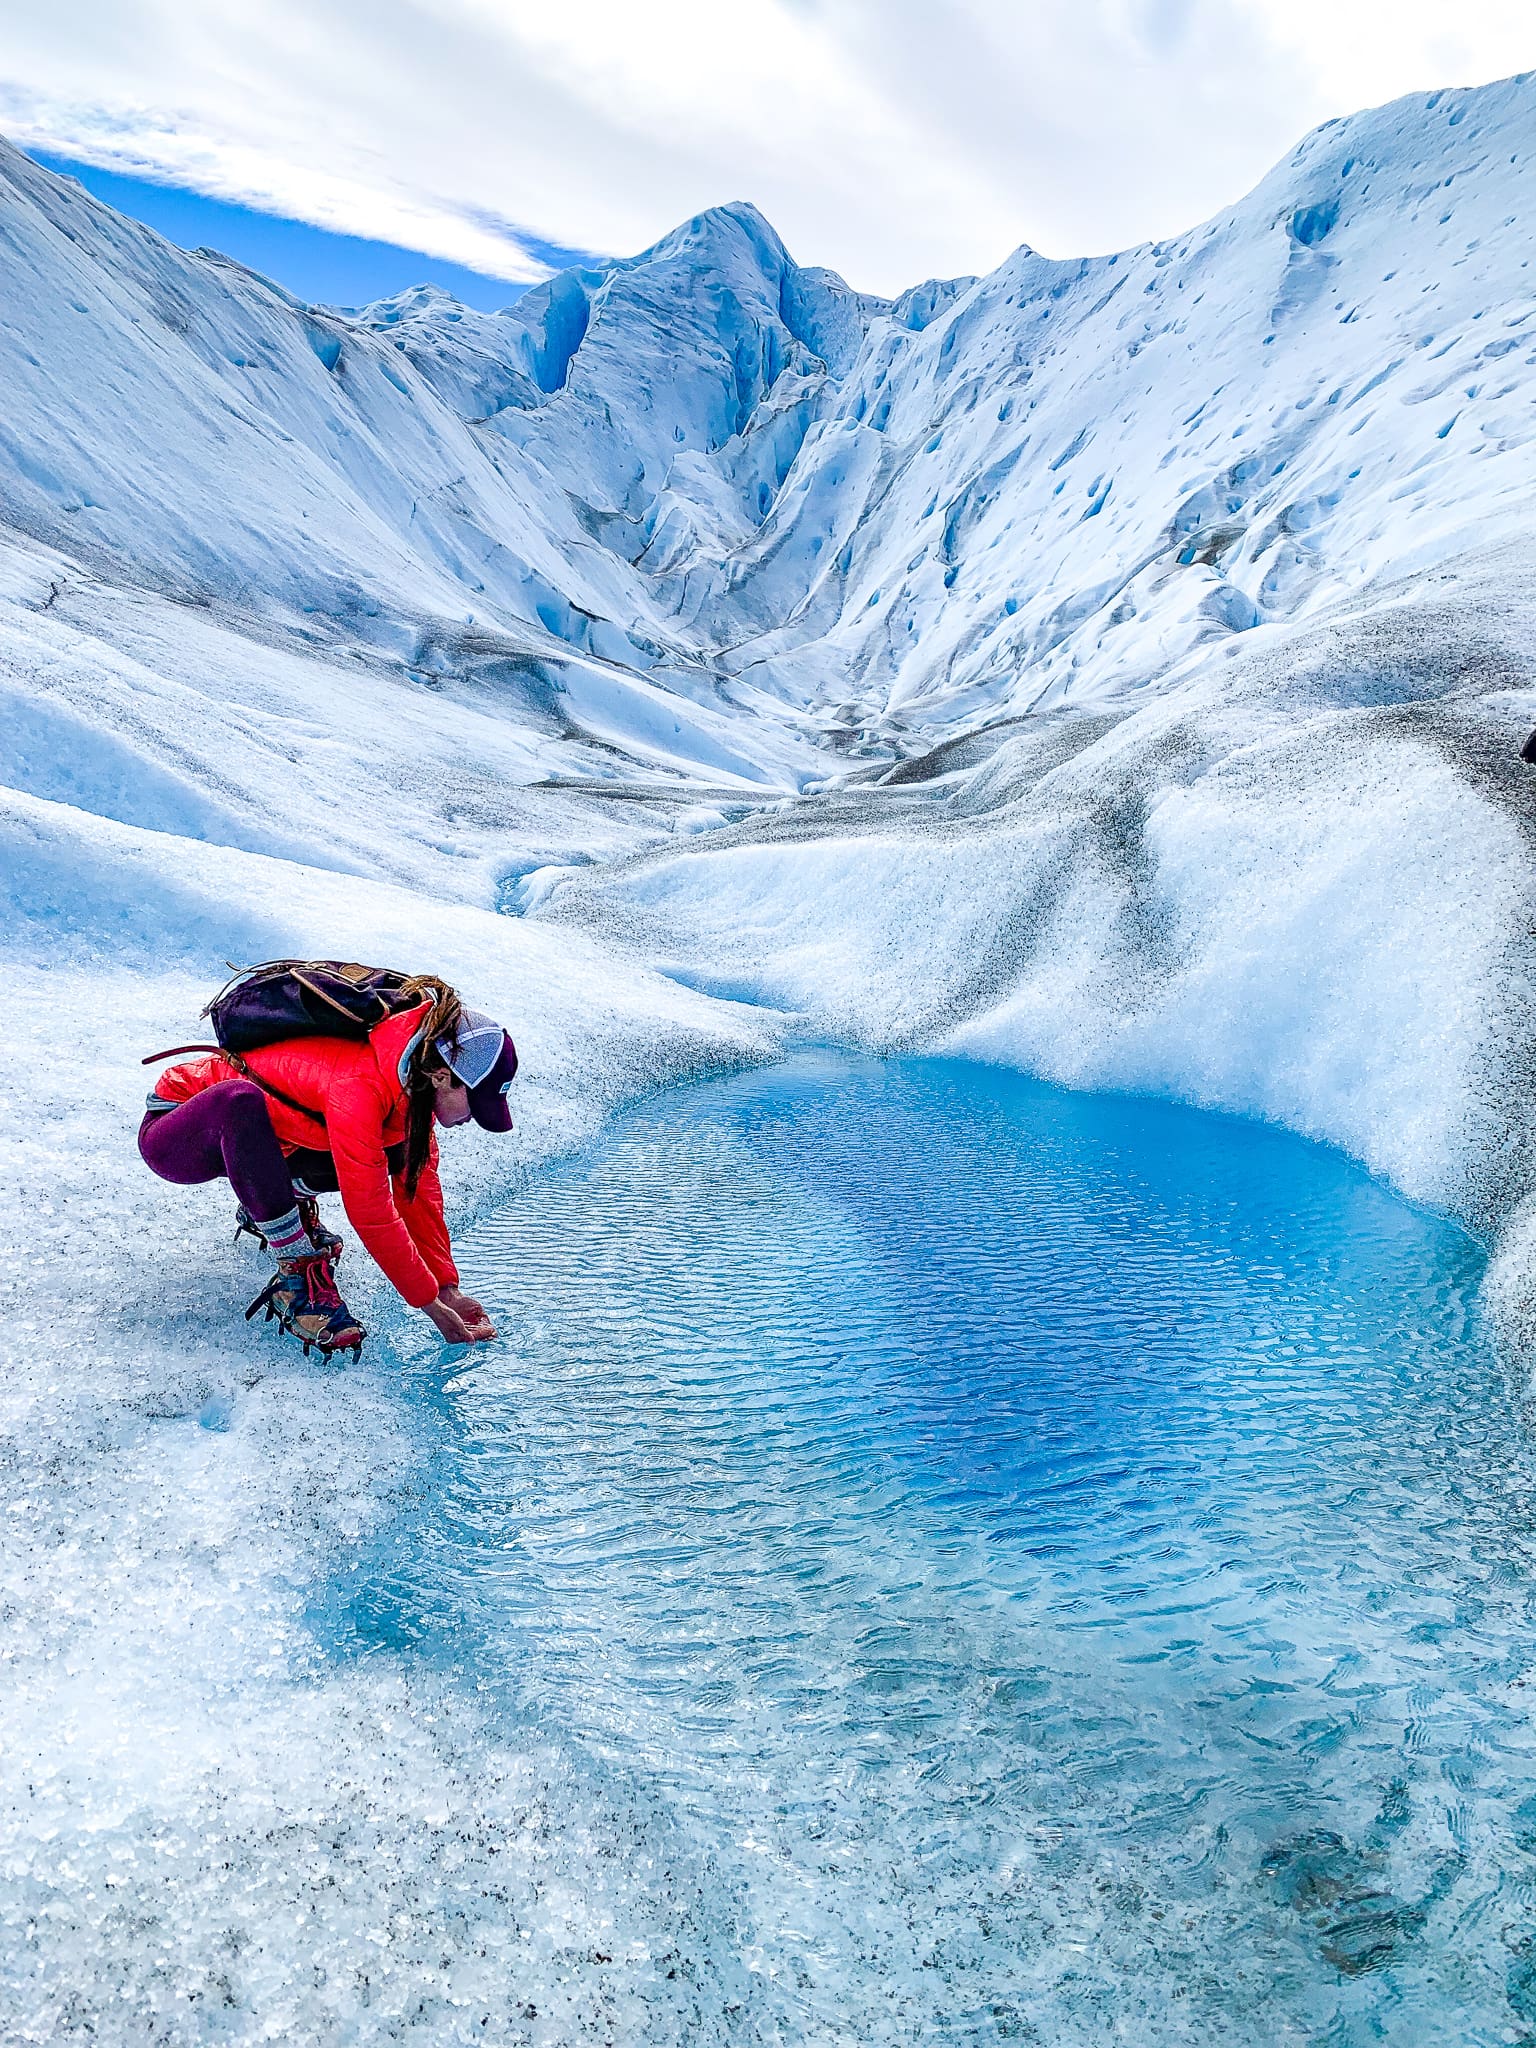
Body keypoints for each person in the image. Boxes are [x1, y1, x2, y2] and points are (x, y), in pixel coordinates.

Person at [139, 981, 517, 1355]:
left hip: (267, 1143)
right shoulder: (361, 1086)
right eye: (476, 1103)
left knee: (392, 1154)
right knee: (240, 1102)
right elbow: (371, 1212)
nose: (474, 1118)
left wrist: (446, 1287)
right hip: (179, 1129)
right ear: (441, 1076)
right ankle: (297, 1268)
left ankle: (274, 1211)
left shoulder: (410, 1089)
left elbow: (417, 1191)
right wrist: (430, 1306)